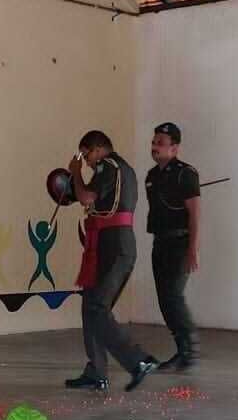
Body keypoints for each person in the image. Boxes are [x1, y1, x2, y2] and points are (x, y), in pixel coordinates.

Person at [65, 130, 158, 393]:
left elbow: (86, 197)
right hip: (109, 244)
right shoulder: (121, 169)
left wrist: (75, 172)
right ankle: (96, 372)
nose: (86, 162)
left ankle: (138, 361)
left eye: (86, 156)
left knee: (98, 308)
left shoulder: (108, 165)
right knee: (90, 306)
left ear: (96, 149)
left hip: (115, 246)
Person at [146, 123, 201, 371]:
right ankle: (182, 350)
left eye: (161, 142)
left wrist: (192, 249)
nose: (155, 146)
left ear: (174, 148)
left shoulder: (185, 173)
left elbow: (195, 214)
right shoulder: (152, 176)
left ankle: (189, 350)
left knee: (173, 296)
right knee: (165, 299)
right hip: (160, 242)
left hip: (180, 243)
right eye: (154, 141)